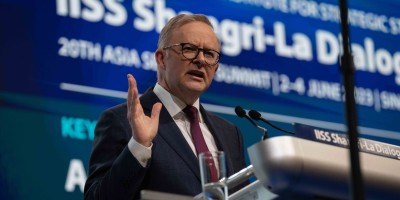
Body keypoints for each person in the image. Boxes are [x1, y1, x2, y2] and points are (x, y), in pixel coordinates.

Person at [84, 13, 247, 199]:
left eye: (209, 54)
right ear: (161, 58)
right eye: (189, 49)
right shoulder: (121, 121)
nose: (201, 60)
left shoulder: (230, 133)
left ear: (215, 68)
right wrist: (139, 146)